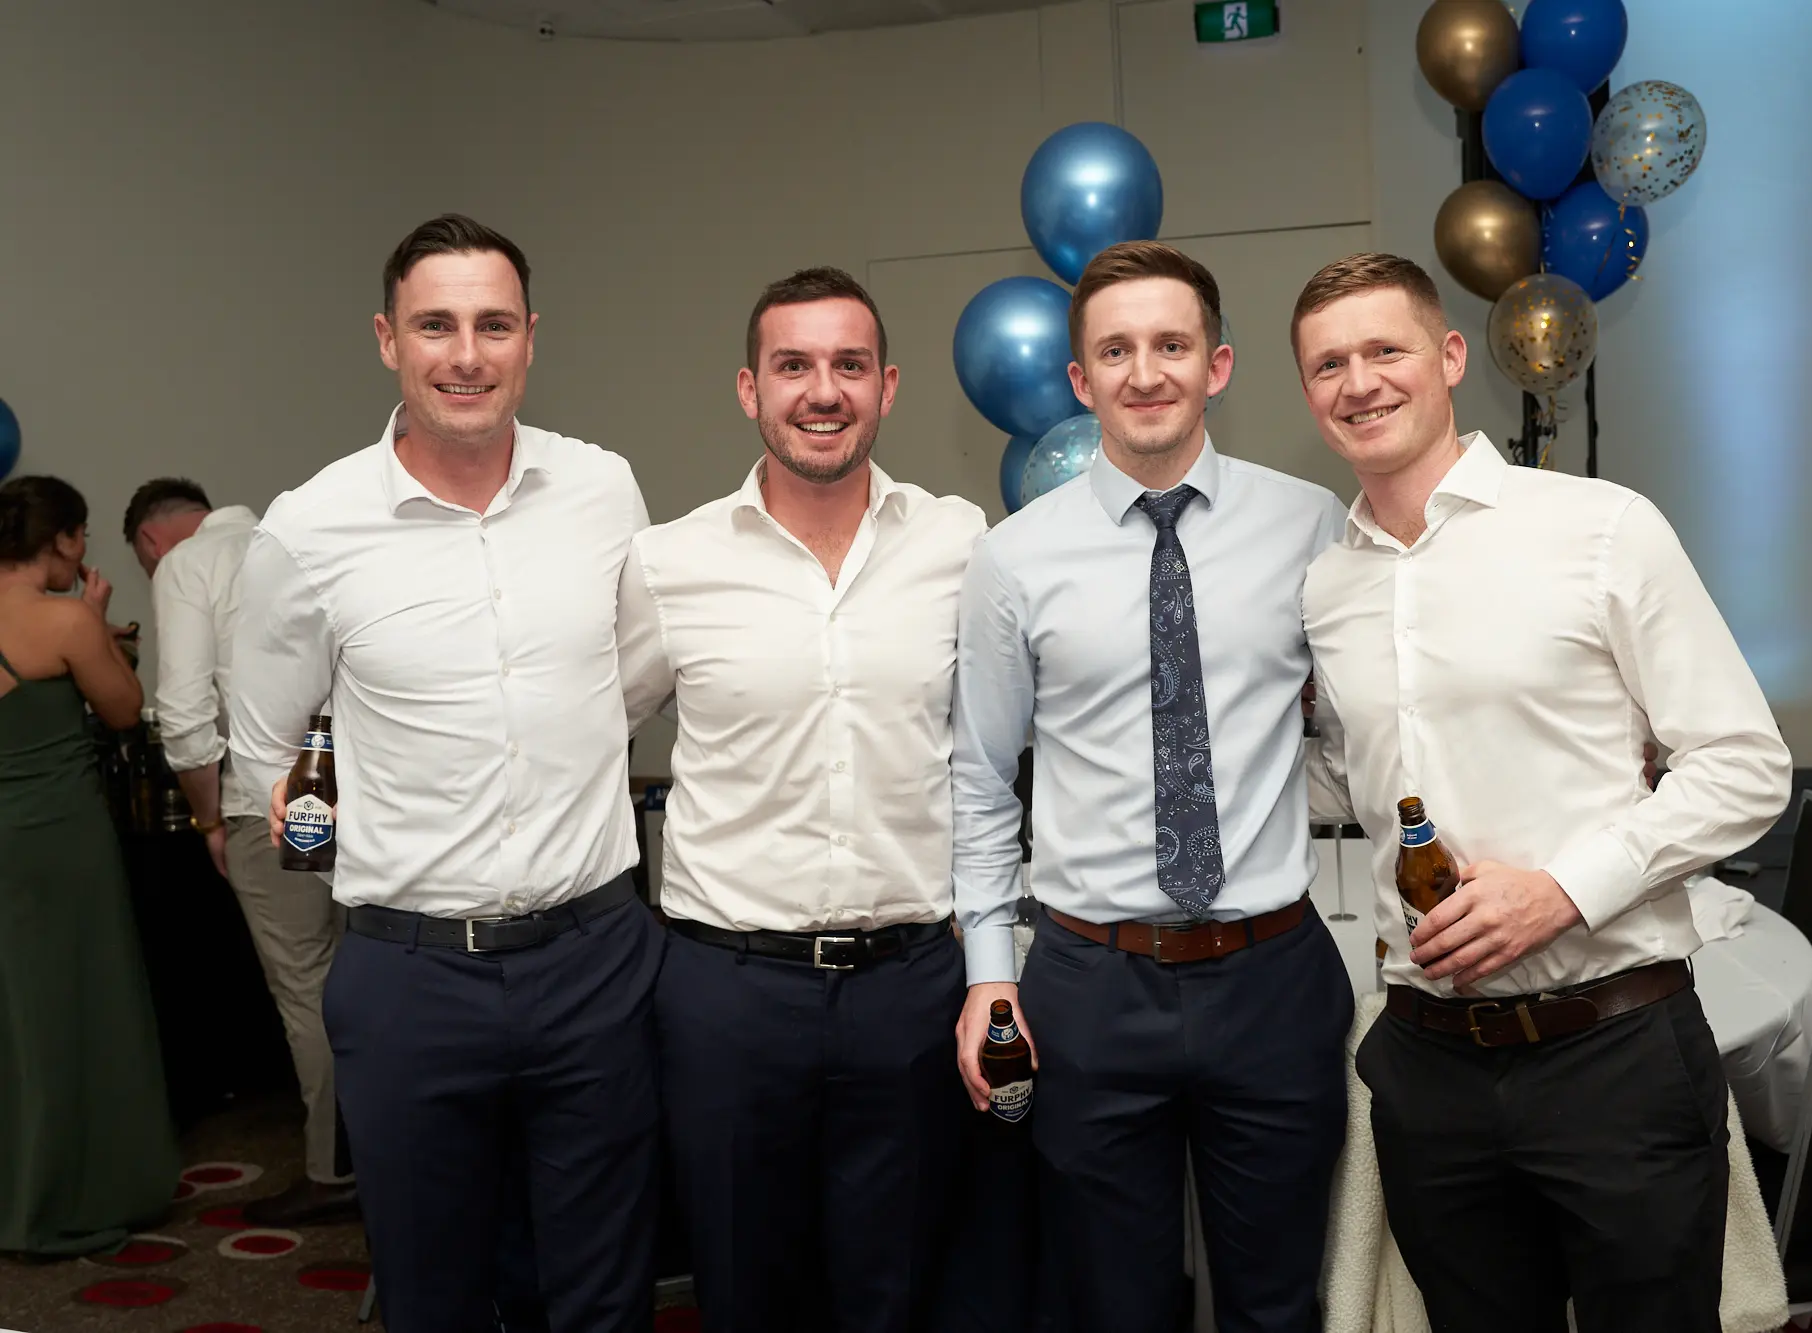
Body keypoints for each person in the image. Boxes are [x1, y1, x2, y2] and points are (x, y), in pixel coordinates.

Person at [1291, 252, 1792, 1332]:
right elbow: (1350, 773)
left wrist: (1563, 888)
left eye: (1385, 349)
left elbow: (1744, 764)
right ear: (1305, 395)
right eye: (1328, 363)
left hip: (1610, 1051)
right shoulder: (1325, 587)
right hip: (1427, 1065)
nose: (1358, 381)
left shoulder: (1597, 527)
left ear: (1448, 357)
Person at [227, 215, 663, 1333]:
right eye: (435, 325)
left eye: (492, 325)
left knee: (603, 1294)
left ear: (530, 341)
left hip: (594, 960)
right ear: (387, 339)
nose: (465, 354)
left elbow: (628, 678)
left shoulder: (602, 489)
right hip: (411, 976)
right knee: (432, 1295)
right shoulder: (310, 528)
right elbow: (272, 747)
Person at [951, 241, 1354, 1333]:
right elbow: (981, 779)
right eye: (1115, 351)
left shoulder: (1310, 524)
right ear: (1079, 380)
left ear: (1216, 364)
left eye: (1170, 344)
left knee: (1277, 1302)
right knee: (1110, 1305)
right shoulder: (1013, 559)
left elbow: (1365, 720)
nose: (1145, 372)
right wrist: (992, 977)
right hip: (1090, 986)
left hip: (1271, 975)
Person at [618, 267, 986, 1333]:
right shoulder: (670, 562)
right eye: (792, 366)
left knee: (901, 1290)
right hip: (727, 993)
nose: (820, 390)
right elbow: (580, 728)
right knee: (744, 1290)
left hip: (911, 990)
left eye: (847, 366)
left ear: (887, 387)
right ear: (749, 389)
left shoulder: (957, 544)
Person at [123, 476, 356, 1228]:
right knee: (369, 976)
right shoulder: (303, 537)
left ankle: (334, 1169)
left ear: (152, 543)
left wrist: (208, 821)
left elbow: (187, 714)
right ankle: (398, 1155)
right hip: (355, 791)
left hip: (266, 798)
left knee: (308, 984)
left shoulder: (188, 565)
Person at [0, 475, 181, 1256]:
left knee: (17, 1014)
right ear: (64, 539)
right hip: (63, 836)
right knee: (83, 1003)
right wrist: (97, 626)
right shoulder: (66, 618)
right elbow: (123, 708)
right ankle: (76, 1190)